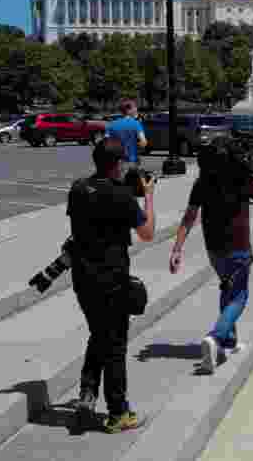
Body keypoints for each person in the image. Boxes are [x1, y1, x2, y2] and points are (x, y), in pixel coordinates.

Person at [168, 137, 253, 374]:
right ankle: (216, 337)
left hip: (214, 248)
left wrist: (177, 248)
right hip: (238, 247)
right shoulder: (243, 179)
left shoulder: (203, 181)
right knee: (239, 296)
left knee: (226, 288)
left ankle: (228, 342)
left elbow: (189, 217)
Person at [67, 138, 155, 433]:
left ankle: (87, 393)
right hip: (112, 280)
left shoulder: (78, 188)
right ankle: (118, 413)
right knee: (115, 345)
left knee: (98, 333)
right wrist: (149, 196)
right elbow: (147, 232)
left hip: (82, 277)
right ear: (117, 164)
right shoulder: (121, 195)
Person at [105, 99, 148, 170]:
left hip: (114, 162)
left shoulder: (111, 124)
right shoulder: (136, 124)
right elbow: (143, 142)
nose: (136, 111)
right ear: (129, 110)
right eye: (135, 108)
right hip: (131, 160)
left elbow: (107, 145)